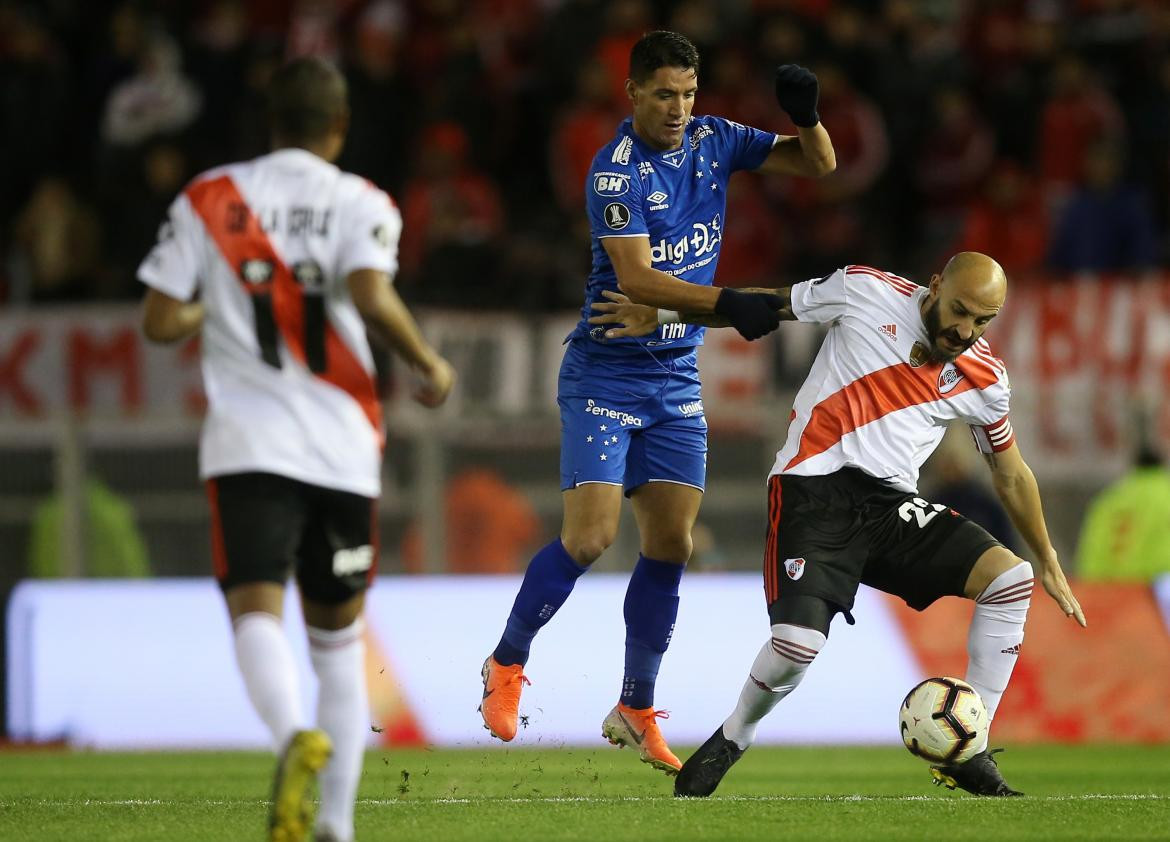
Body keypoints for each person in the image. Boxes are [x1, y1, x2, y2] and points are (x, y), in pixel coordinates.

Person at [592, 252, 1086, 797]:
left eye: (982, 321)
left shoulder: (985, 378)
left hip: (891, 507)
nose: (965, 330)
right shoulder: (864, 291)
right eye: (959, 311)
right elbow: (767, 305)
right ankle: (737, 734)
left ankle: (968, 747)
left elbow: (1010, 472)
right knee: (796, 646)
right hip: (813, 491)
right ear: (936, 285)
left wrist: (1047, 558)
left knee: (1009, 581)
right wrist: (663, 318)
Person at [478, 29, 835, 775]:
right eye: (664, 94)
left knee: (670, 544)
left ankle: (635, 706)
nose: (678, 108)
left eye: (688, 93)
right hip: (605, 375)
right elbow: (636, 279)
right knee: (591, 539)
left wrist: (807, 119)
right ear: (634, 94)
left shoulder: (716, 139)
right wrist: (726, 301)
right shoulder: (614, 173)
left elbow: (820, 165)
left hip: (674, 376)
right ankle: (507, 662)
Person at [138, 57, 455, 842]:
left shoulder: (210, 197)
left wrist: (207, 309)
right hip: (343, 444)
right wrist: (427, 361)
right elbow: (369, 291)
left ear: (268, 122)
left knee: (254, 609)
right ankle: (336, 828)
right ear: (340, 127)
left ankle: (290, 738)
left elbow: (158, 319)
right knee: (339, 643)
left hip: (248, 442)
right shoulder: (359, 199)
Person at [1076, 444, 1170, 582]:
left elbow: (1092, 546)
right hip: (1155, 587)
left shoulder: (1109, 499)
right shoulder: (1165, 494)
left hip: (1111, 588)